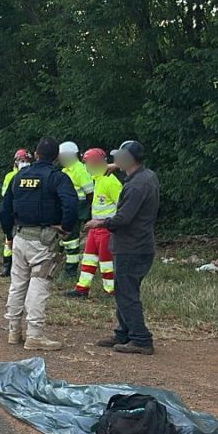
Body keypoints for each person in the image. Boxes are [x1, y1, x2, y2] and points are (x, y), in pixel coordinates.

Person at [0, 137, 80, 351]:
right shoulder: (57, 178)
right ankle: (34, 334)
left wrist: (9, 234)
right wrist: (66, 227)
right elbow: (71, 205)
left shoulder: (19, 177)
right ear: (56, 158)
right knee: (39, 283)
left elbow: (4, 210)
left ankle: (13, 330)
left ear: (35, 155)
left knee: (17, 283)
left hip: (20, 237)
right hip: (43, 241)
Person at [85, 140, 159, 354]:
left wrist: (99, 223)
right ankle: (123, 333)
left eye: (119, 157)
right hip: (137, 244)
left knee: (127, 293)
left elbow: (123, 219)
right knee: (123, 290)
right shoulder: (146, 176)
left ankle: (141, 339)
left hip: (131, 246)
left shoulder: (136, 185)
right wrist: (116, 166)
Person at [66, 147, 124, 298]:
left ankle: (110, 291)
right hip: (95, 229)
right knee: (88, 258)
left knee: (106, 262)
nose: (86, 167)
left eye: (88, 163)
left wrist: (108, 224)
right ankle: (82, 289)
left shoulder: (110, 181)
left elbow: (122, 207)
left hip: (106, 229)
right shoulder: (97, 180)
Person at [57, 141, 95, 279]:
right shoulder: (65, 170)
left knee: (71, 239)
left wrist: (90, 214)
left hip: (78, 208)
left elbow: (90, 193)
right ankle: (62, 263)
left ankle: (70, 271)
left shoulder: (80, 170)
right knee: (64, 239)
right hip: (66, 208)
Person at [0, 148, 32, 277]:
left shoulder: (31, 174)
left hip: (23, 211)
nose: (23, 163)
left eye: (26, 160)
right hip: (11, 210)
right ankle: (6, 264)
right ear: (15, 162)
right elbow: (5, 194)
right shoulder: (10, 176)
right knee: (9, 238)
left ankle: (20, 265)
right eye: (21, 160)